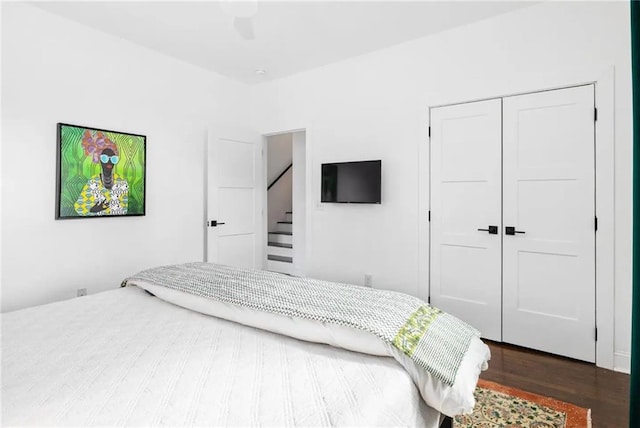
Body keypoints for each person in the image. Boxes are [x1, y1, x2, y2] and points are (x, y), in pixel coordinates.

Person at [74, 130, 129, 216]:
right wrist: (93, 210)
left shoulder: (122, 182)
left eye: (113, 159)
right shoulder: (93, 182)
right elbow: (79, 208)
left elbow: (124, 210)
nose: (109, 162)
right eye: (105, 158)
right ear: (98, 159)